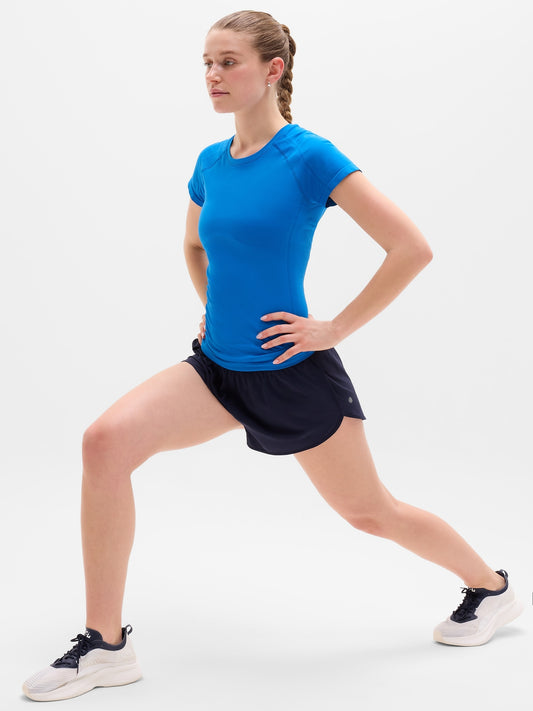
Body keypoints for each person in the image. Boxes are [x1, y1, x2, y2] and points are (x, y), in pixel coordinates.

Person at [23, 9, 523, 703]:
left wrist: (334, 328)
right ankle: (106, 645)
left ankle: (490, 588)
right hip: (216, 369)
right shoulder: (210, 162)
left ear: (272, 69)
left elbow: (411, 247)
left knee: (370, 512)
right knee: (103, 443)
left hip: (292, 374)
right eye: (206, 62)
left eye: (227, 61)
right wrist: (213, 304)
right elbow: (194, 245)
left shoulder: (308, 156)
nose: (212, 75)